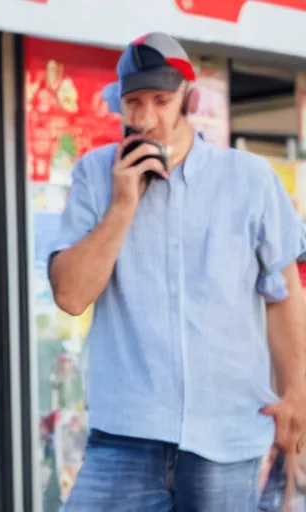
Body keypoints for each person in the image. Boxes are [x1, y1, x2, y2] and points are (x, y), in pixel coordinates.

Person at [50, 32, 306, 511]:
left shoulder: (249, 181)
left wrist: (298, 392)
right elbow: (70, 295)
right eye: (134, 103)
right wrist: (124, 204)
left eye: (161, 101)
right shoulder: (93, 175)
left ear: (188, 100)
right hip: (125, 434)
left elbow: (284, 292)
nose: (146, 118)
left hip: (224, 437)